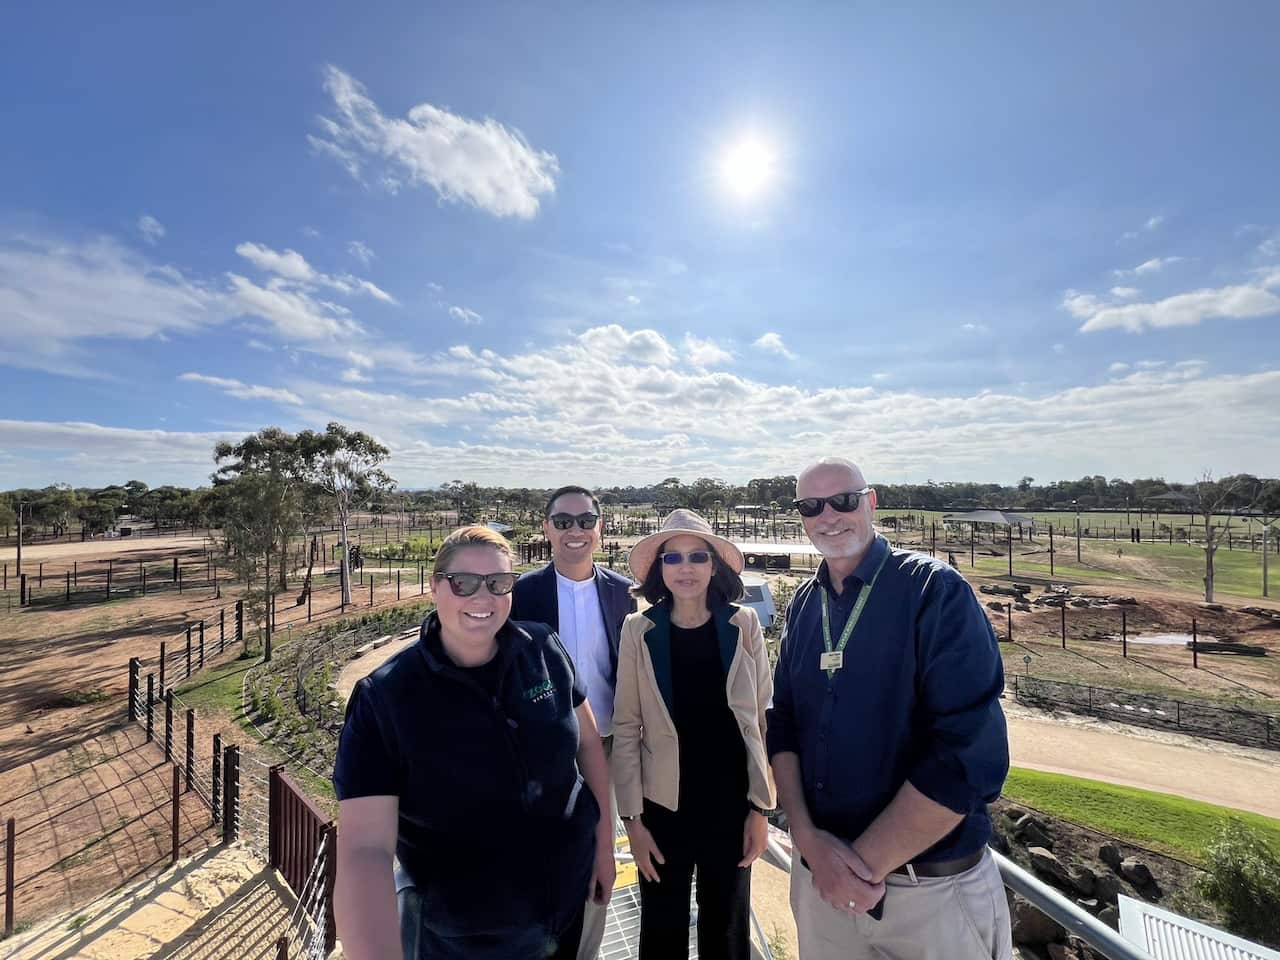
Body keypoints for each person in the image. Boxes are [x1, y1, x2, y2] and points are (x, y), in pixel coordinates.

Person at [767, 458, 1012, 960]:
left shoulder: (934, 591)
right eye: (812, 506)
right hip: (823, 886)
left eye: (844, 500)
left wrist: (859, 867)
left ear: (871, 501)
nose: (829, 515)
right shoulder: (805, 605)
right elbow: (784, 722)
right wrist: (810, 842)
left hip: (929, 896)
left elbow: (967, 756)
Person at [333, 525, 615, 960]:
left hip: (574, 904)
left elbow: (589, 747)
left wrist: (603, 848)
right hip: (469, 938)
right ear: (434, 586)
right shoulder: (386, 698)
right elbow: (364, 851)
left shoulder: (543, 649)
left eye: (499, 583)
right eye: (463, 583)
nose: (483, 598)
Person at [612, 509, 777, 960]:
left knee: (725, 931)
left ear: (713, 566)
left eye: (697, 556)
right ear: (659, 570)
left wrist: (761, 809)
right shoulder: (639, 629)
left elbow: (762, 720)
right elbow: (626, 727)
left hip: (731, 806)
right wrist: (633, 823)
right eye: (673, 558)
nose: (685, 567)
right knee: (661, 932)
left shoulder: (742, 624)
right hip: (663, 809)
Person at [510, 485, 636, 960]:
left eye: (586, 520)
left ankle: (586, 948)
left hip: (606, 745)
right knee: (540, 850)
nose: (575, 530)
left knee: (598, 849)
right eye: (563, 522)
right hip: (545, 749)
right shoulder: (523, 592)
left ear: (600, 528)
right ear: (547, 529)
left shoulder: (623, 593)